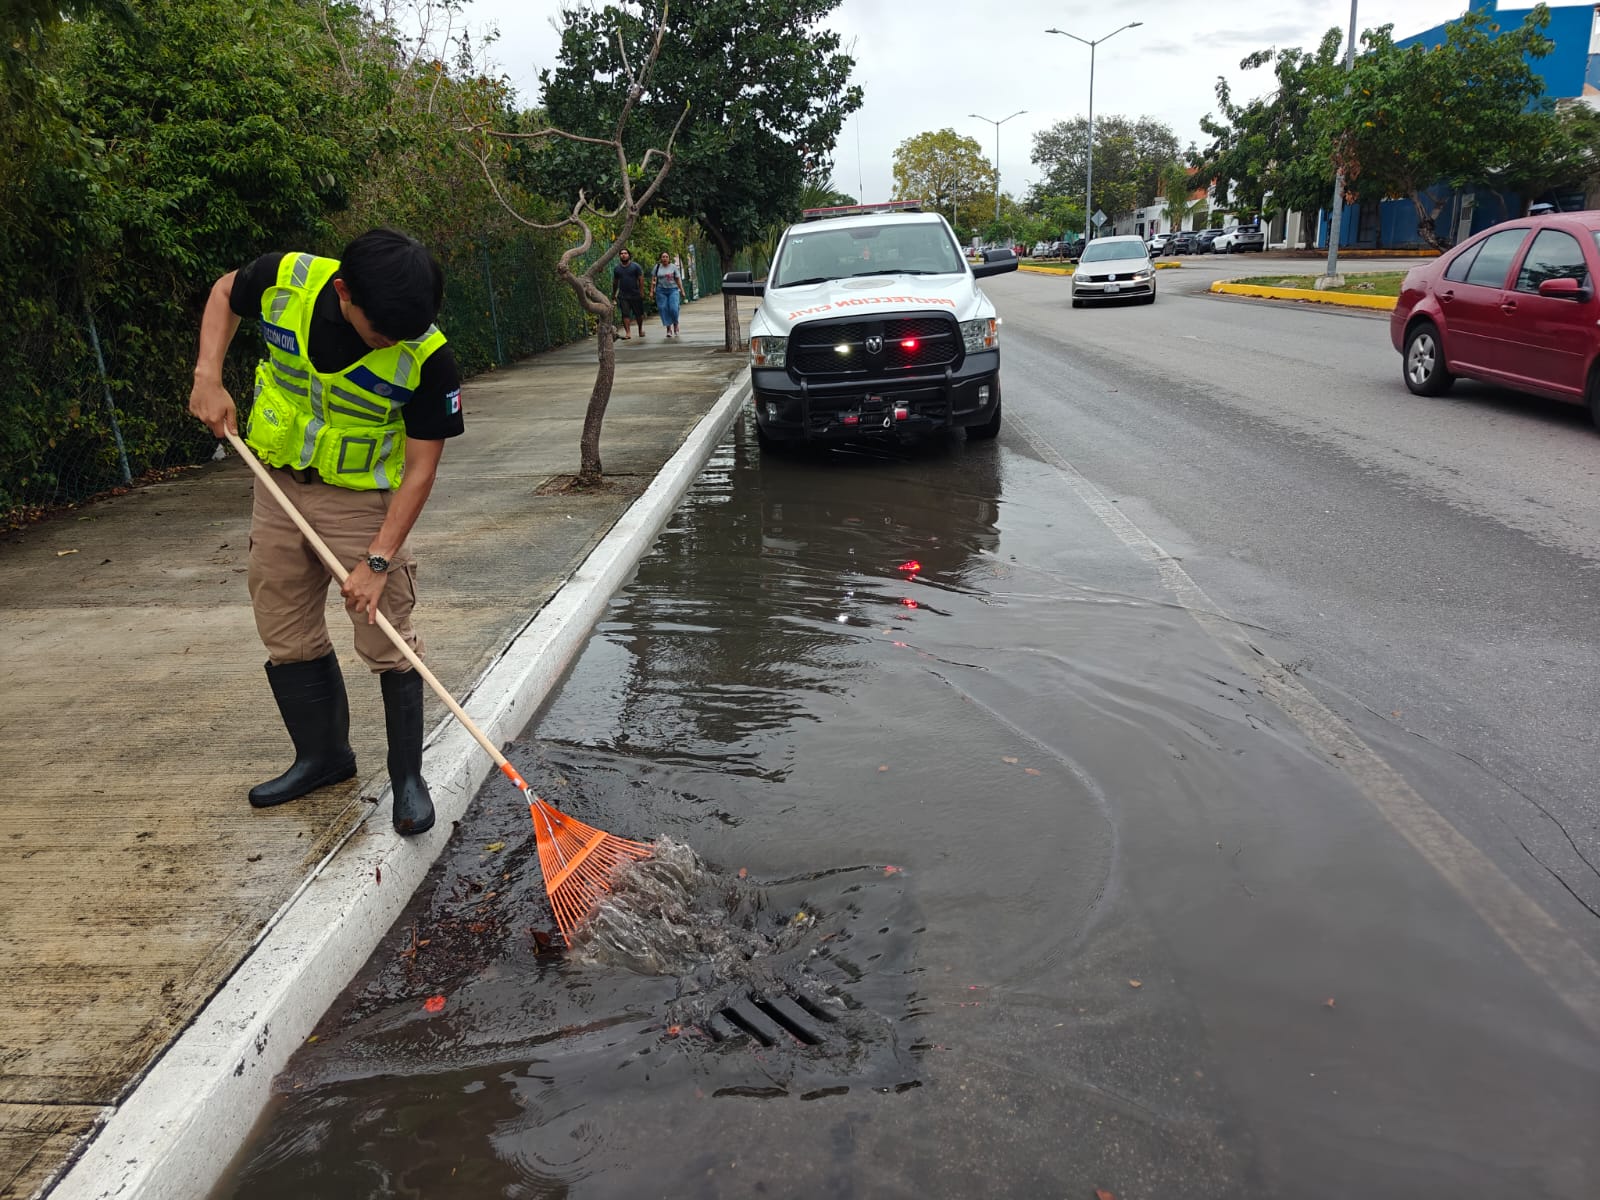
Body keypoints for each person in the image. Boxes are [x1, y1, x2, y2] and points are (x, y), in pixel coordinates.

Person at [188, 227, 463, 836]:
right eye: (380, 333)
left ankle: (408, 780)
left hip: (363, 499)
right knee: (283, 623)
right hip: (275, 480)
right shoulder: (286, 279)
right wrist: (208, 375)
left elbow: (422, 467)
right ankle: (323, 759)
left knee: (385, 633)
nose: (392, 342)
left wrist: (379, 559)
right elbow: (225, 293)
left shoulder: (429, 357)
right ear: (343, 292)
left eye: (403, 335)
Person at [612, 249, 646, 340]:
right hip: (623, 295)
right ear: (619, 256)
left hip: (635, 294)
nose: (623, 255)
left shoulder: (635, 266)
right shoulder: (617, 268)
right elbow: (615, 282)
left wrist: (641, 291)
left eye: (625, 253)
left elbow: (641, 279)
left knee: (639, 314)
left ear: (629, 255)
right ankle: (628, 332)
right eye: (621, 253)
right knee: (625, 314)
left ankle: (640, 329)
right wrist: (614, 294)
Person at [653, 250, 683, 338]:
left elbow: (677, 279)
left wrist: (682, 290)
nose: (665, 258)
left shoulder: (673, 267)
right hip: (661, 290)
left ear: (669, 258)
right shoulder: (657, 267)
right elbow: (654, 279)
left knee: (673, 308)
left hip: (673, 290)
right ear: (661, 258)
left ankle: (675, 324)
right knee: (663, 308)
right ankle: (668, 328)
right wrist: (651, 291)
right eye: (663, 257)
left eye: (666, 257)